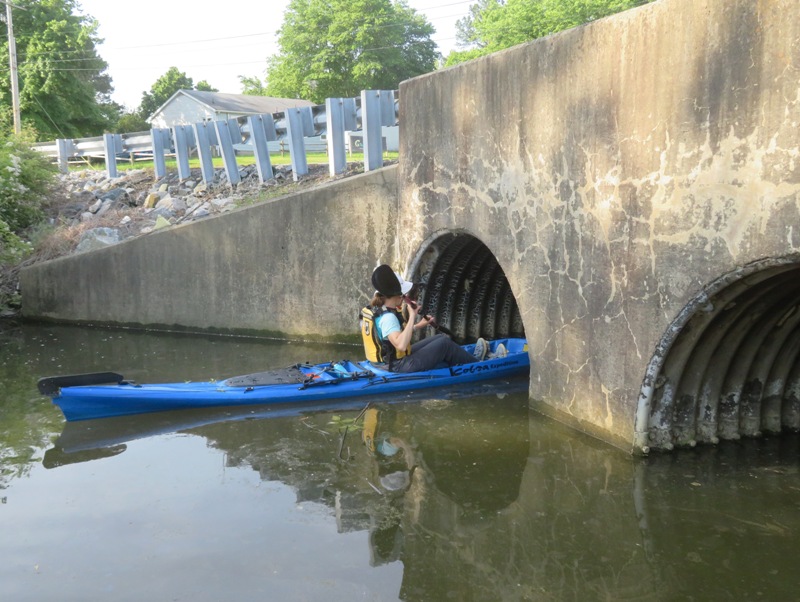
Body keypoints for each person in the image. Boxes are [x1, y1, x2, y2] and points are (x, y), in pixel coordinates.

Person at [360, 264, 490, 373]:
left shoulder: (377, 309)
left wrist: (418, 326)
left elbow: (389, 337)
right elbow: (400, 345)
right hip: (397, 366)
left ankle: (466, 359)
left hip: (386, 363)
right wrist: (412, 316)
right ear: (397, 295)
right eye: (404, 295)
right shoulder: (388, 318)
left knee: (440, 338)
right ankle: (479, 364)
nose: (405, 298)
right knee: (444, 345)